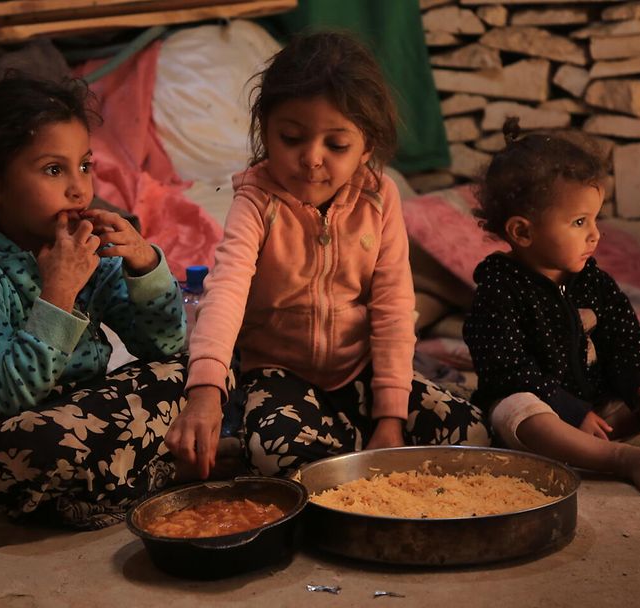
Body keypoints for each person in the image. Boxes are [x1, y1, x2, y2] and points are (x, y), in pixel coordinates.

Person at [165, 31, 488, 480]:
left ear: (367, 148)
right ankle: (336, 448)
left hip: (362, 369)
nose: (312, 158)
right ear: (265, 130)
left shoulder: (379, 197)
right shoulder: (257, 200)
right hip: (280, 374)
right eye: (292, 137)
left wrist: (390, 419)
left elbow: (394, 307)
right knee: (281, 458)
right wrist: (204, 392)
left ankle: (352, 442)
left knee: (468, 431)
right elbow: (226, 293)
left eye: (336, 146)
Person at [0, 75, 191, 529]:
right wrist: (59, 291)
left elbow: (162, 347)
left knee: (196, 371)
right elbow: (11, 397)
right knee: (47, 446)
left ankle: (111, 482)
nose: (78, 189)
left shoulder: (84, 246)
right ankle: (149, 469)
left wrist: (145, 266)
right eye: (53, 170)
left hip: (86, 410)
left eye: (84, 166)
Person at [462, 119, 640, 496]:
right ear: (523, 232)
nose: (595, 234)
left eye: (595, 218)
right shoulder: (498, 291)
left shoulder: (593, 282)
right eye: (579, 221)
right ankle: (618, 459)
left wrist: (639, 393)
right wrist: (569, 411)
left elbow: (625, 342)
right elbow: (508, 370)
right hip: (546, 411)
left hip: (597, 410)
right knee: (521, 413)